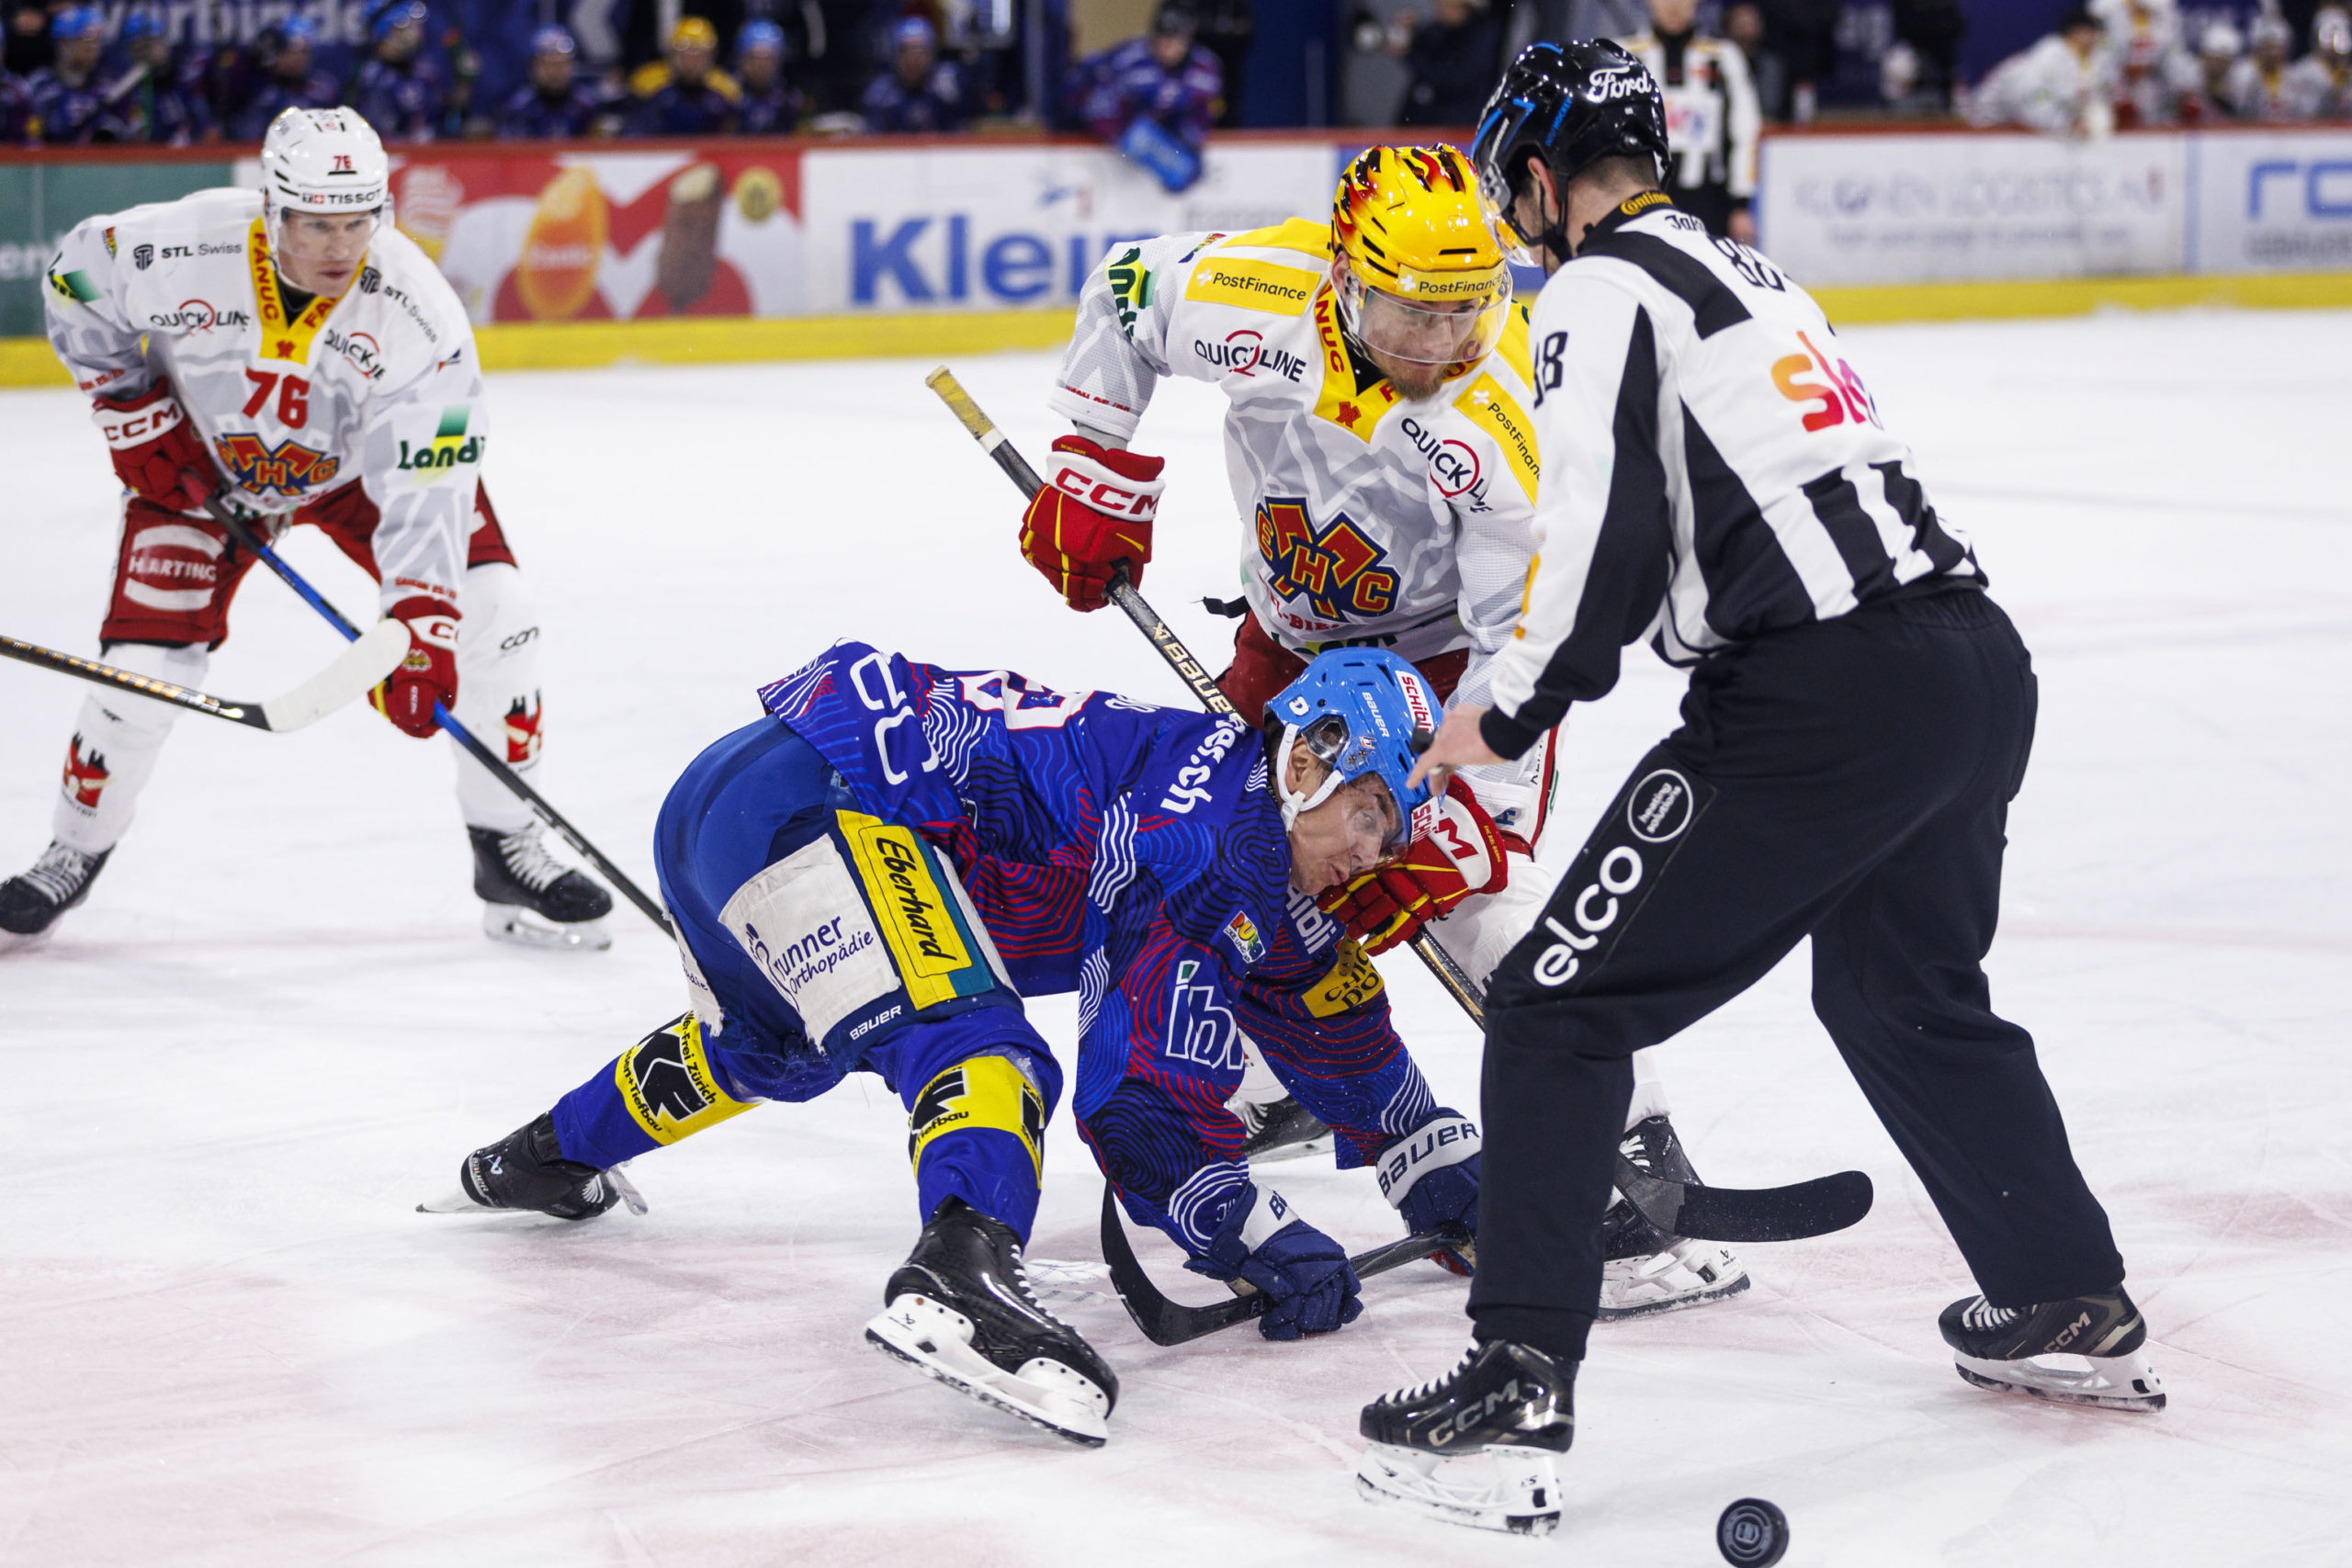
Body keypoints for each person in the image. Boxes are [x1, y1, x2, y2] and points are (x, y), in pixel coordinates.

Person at [1354, 43, 2158, 1536]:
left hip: (1820, 700)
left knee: (1555, 1004)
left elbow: (1599, 546)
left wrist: (1501, 709)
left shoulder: (1593, 292)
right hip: (1973, 666)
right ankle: (2062, 1289)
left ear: (1537, 179)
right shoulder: (1753, 272)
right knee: (1903, 993)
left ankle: (1514, 1378)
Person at [427, 642, 1487, 1447]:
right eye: (1365, 814)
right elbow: (1138, 1104)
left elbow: (1323, 1012)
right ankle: (962, 1272)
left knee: (777, 1044)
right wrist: (1240, 1225)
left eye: (1389, 829)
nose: (1371, 852)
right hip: (815, 806)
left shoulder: (1257, 840)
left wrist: (1430, 1158)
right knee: (980, 1049)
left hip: (744, 801)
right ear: (1305, 759)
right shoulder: (1199, 837)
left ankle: (543, 1158)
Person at [1028, 142, 1750, 1320]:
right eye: (1408, 313)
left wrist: (1462, 827)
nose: (1434, 346)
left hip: (1441, 664)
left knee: (1466, 901)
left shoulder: (1506, 423)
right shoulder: (1252, 291)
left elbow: (1526, 659)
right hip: (1291, 634)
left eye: (1463, 314)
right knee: (1236, 856)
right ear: (1343, 278)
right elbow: (1125, 290)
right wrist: (1089, 460)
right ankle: (1287, 1072)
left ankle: (1635, 1155)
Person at [2, 107, 613, 951]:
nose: (338, 245)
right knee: (141, 671)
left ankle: (507, 842)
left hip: (354, 473)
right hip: (198, 471)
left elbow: (429, 474)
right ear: (273, 210)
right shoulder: (177, 246)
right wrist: (131, 412)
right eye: (317, 224)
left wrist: (423, 623)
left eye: (357, 222)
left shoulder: (419, 313)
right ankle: (70, 852)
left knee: (497, 614)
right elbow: (73, 278)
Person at [1621, 0, 1761, 242]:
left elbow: (1744, 132)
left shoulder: (1725, 57)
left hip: (1709, 201)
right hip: (1638, 199)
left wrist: (1740, 205)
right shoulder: (1622, 56)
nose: (1674, 5)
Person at [1067, 2, 1221, 190]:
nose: (1165, 47)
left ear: (1186, 40)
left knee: (1188, 168)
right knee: (1142, 139)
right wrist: (1133, 137)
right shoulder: (1128, 60)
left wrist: (1184, 137)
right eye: (1160, 39)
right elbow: (1094, 104)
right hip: (1102, 127)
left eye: (1173, 41)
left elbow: (1201, 110)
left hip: (1159, 129)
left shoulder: (1205, 68)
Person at [1968, 3, 2115, 134]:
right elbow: (2036, 96)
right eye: (2090, 31)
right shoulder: (2048, 55)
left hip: (2028, 118)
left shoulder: (2093, 60)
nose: (2095, 37)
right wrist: (2067, 124)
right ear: (2074, 32)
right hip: (1992, 115)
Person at [1389, 0, 1503, 128]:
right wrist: (1408, 32)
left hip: (1460, 122)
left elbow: (1453, 78)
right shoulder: (1437, 30)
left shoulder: (1481, 36)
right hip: (1426, 120)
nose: (1440, 9)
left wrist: (1409, 55)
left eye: (1448, 5)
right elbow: (1420, 47)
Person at [349, 0, 448, 143]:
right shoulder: (371, 78)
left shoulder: (425, 72)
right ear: (386, 30)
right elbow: (374, 132)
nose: (415, 31)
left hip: (432, 154)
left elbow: (442, 119)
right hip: (394, 156)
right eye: (405, 25)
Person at [228, 17, 340, 141]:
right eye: (290, 51)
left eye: (304, 52)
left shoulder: (324, 90)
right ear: (276, 53)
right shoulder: (257, 89)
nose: (298, 58)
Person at [627, 15, 740, 136]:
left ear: (711, 57)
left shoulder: (726, 91)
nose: (692, 61)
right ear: (671, 56)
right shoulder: (647, 86)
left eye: (699, 55)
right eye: (685, 54)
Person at [493, 24, 612, 139]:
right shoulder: (518, 109)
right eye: (548, 65)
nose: (555, 72)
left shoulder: (589, 106)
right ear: (534, 67)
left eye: (561, 64)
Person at [112, 10, 212, 145]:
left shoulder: (182, 79)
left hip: (191, 154)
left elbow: (204, 127)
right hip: (149, 158)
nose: (153, 50)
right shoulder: (128, 89)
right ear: (132, 50)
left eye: (156, 42)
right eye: (143, 46)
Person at [25, 5, 120, 143]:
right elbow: (30, 141)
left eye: (97, 43)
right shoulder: (40, 86)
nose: (93, 50)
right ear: (63, 44)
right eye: (86, 42)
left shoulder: (108, 85)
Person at [858, 16, 964, 133]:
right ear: (895, 55)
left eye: (920, 52)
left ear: (932, 55)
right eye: (907, 52)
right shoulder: (880, 94)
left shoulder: (947, 91)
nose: (914, 60)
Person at [2223, 10, 2298, 118]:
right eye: (2269, 47)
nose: (2274, 53)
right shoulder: (2242, 74)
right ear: (2258, 48)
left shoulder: (2292, 75)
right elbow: (2236, 111)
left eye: (2278, 48)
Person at [734, 17, 803, 133]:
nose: (762, 66)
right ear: (742, 60)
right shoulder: (727, 98)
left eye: (768, 59)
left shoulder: (790, 99)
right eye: (755, 59)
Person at [2284, 5, 2352, 116]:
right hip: (2310, 131)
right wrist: (2331, 92)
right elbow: (2300, 113)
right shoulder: (2301, 72)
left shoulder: (2348, 73)